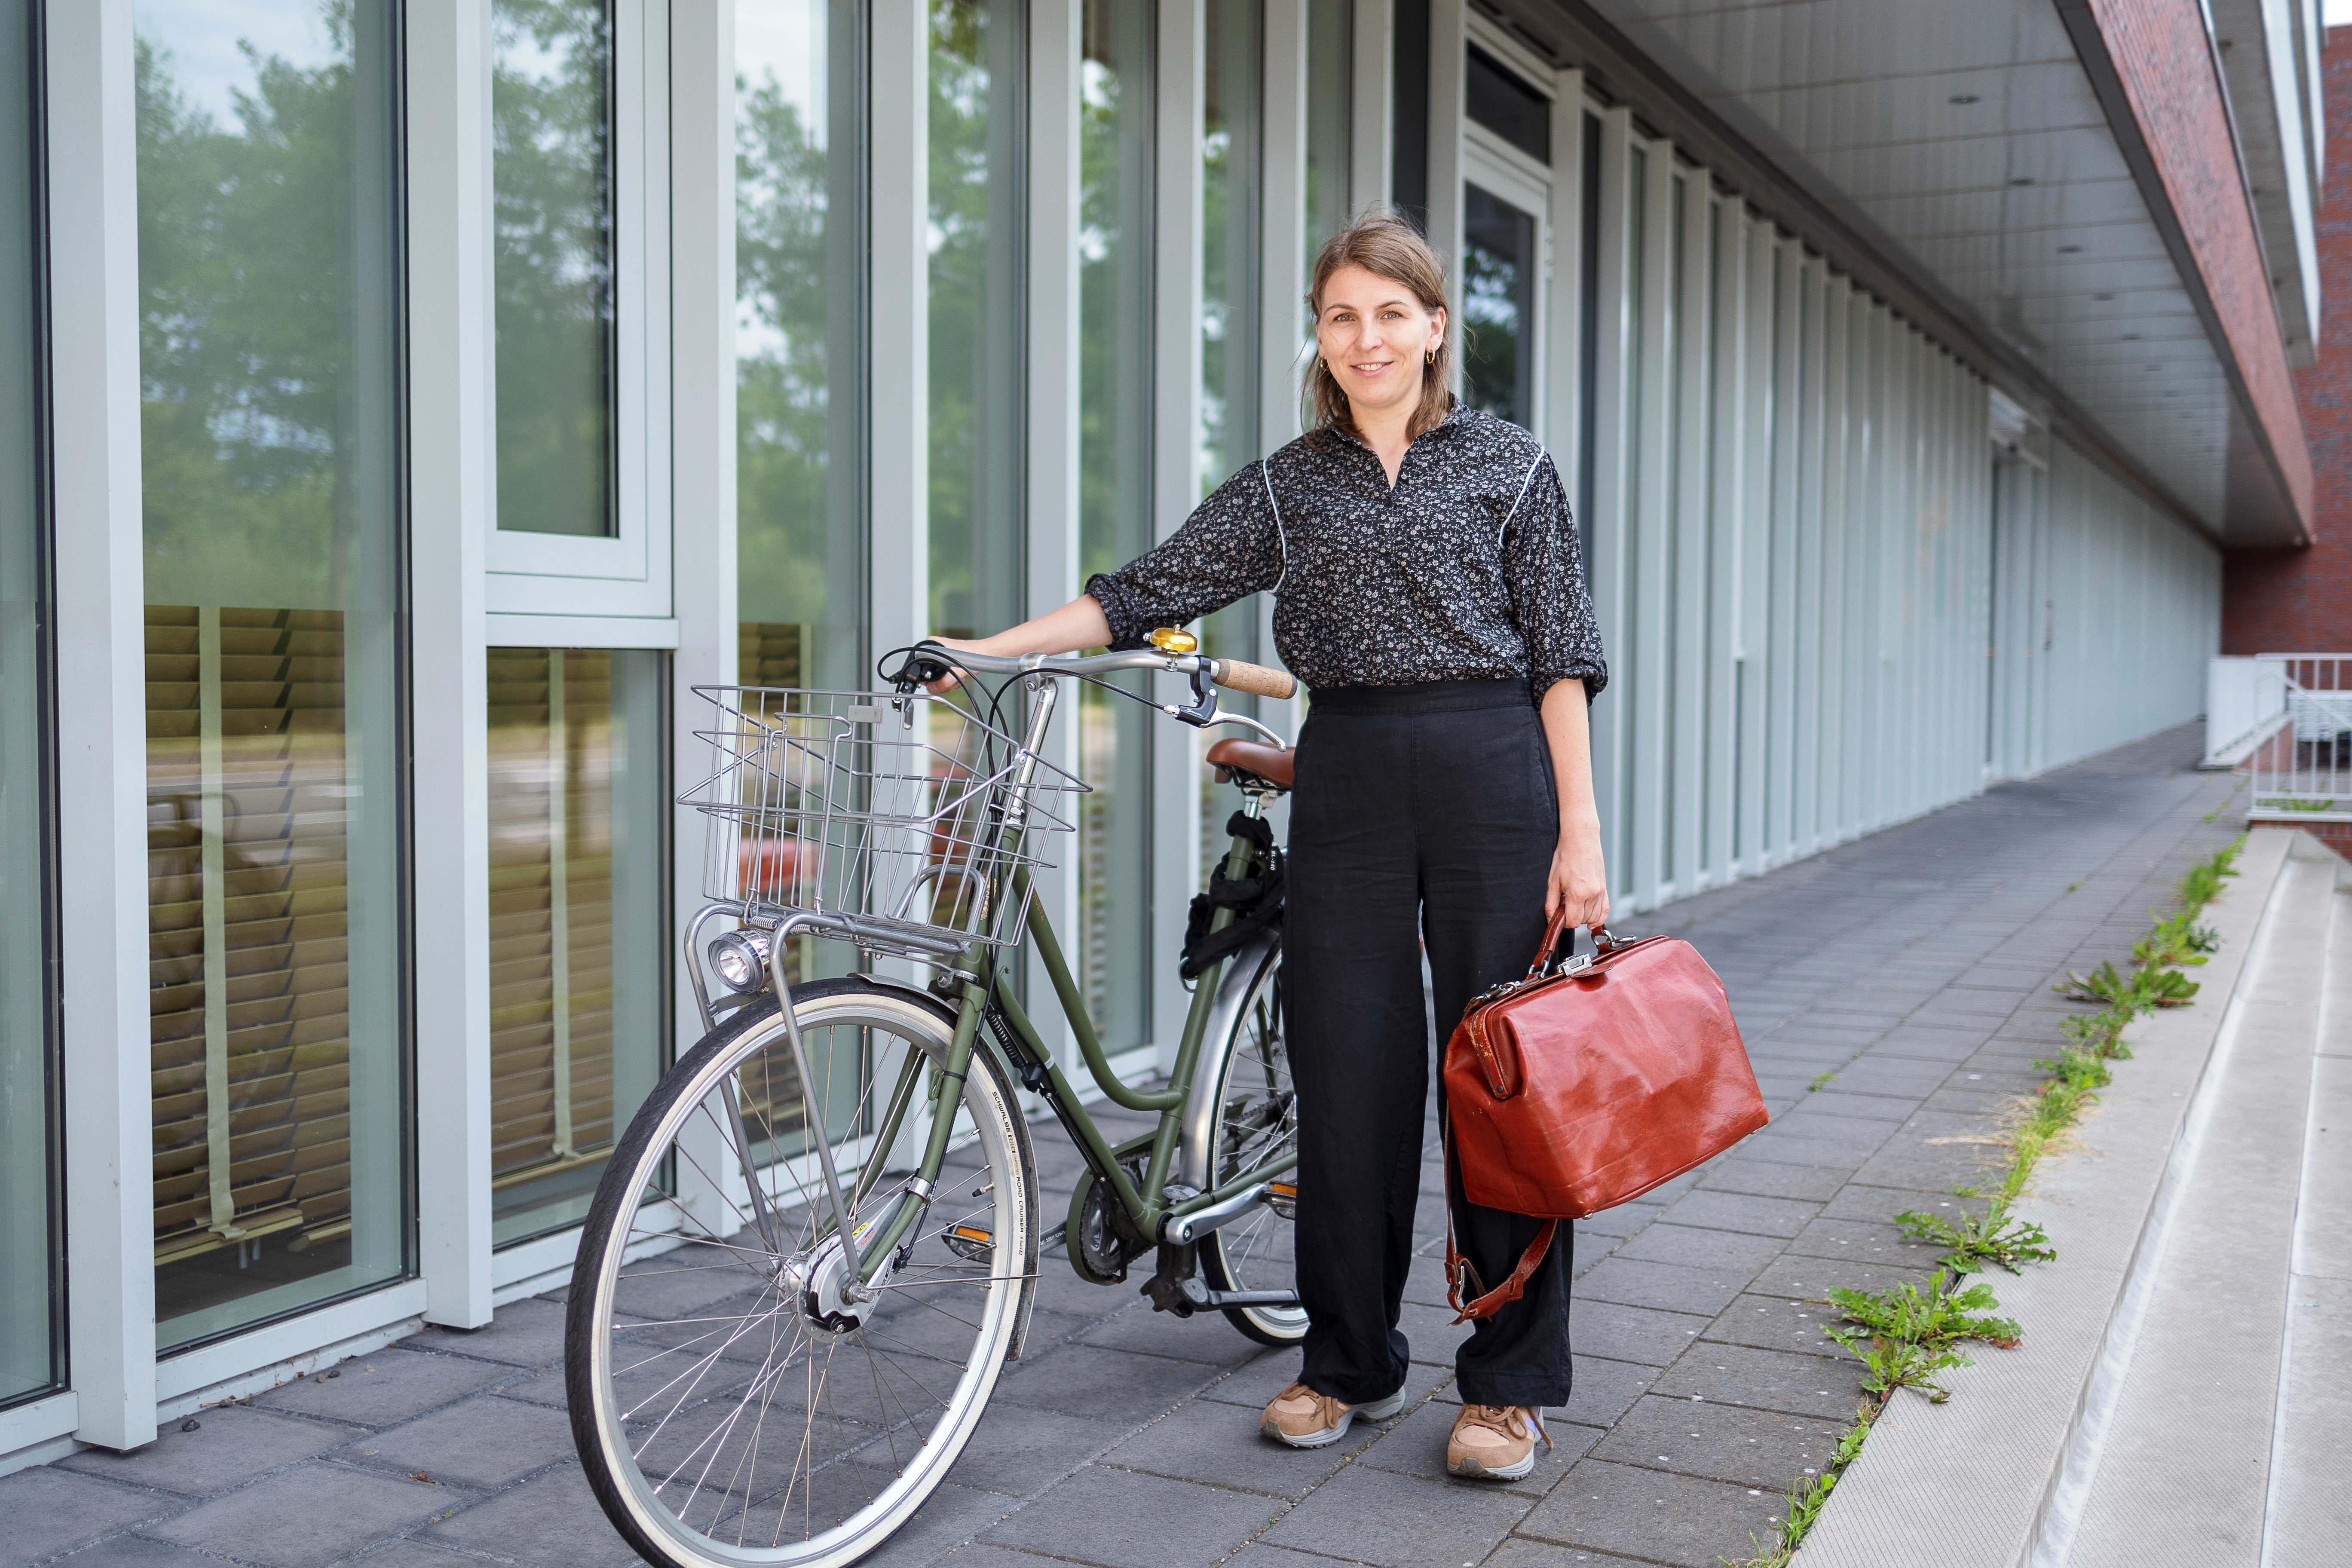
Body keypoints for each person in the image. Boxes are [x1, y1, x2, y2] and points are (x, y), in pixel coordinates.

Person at [932, 210, 1609, 1481]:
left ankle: (1509, 1385)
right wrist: (986, 652)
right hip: (1349, 774)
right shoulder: (1292, 484)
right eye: (1343, 315)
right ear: (1321, 332)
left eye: (1391, 313)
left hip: (1493, 774)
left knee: (1500, 1080)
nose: (1368, 338)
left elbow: (1562, 657)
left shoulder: (1512, 465)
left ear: (1436, 327)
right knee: (1348, 1080)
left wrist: (1582, 834)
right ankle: (1346, 1363)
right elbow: (1145, 588)